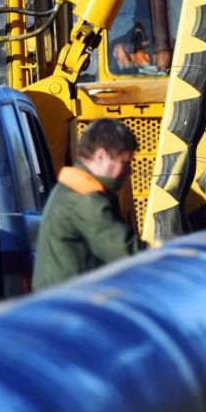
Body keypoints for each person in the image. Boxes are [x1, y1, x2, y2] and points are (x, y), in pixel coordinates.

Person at [33, 118, 145, 290]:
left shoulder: (71, 189)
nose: (129, 171)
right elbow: (127, 252)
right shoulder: (84, 199)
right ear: (101, 156)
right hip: (71, 301)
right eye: (125, 163)